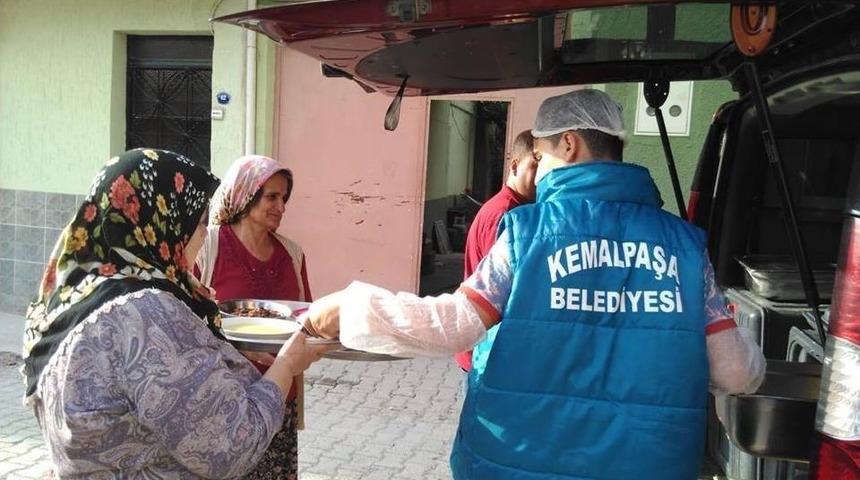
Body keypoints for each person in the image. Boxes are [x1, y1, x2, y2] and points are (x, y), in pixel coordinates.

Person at [304, 90, 767, 479]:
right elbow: (736, 374)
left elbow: (455, 324)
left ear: (568, 145)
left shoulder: (528, 234)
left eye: (539, 155)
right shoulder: (685, 248)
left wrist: (352, 307)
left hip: (524, 462)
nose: (536, 169)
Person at [22, 149, 333, 479]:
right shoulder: (146, 314)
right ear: (163, 223)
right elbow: (228, 446)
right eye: (197, 223)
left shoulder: (72, 298)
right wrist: (287, 365)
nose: (203, 234)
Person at [195, 155, 311, 480]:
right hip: (224, 398)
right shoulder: (208, 246)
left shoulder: (293, 254)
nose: (281, 207)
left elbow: (307, 320)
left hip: (279, 394)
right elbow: (185, 319)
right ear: (246, 194)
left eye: (284, 198)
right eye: (271, 196)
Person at [455, 130, 538, 372]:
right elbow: (507, 289)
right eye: (534, 166)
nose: (540, 177)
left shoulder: (519, 210)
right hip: (485, 349)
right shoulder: (504, 215)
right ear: (514, 166)